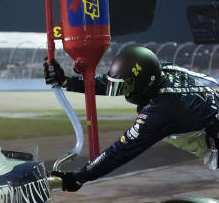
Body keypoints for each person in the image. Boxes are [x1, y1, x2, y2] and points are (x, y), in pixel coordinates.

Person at [45, 45, 219, 191]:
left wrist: (77, 178)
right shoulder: (164, 70)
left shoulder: (161, 110)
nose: (124, 93)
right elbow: (111, 83)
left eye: (128, 87)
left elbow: (121, 150)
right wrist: (68, 82)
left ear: (144, 84)